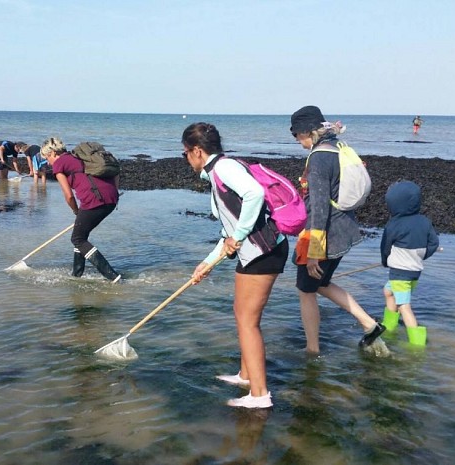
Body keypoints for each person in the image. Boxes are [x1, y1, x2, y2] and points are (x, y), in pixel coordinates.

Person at [182, 122, 289, 409]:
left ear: (198, 151)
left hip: (263, 251)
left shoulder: (224, 168)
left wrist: (239, 237)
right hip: (256, 252)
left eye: (186, 154)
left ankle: (259, 394)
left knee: (247, 320)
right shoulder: (219, 172)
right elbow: (227, 234)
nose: (186, 160)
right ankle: (246, 375)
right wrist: (206, 264)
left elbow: (255, 195)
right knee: (242, 315)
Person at [290, 105, 385, 353]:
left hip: (324, 235)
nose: (296, 139)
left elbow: (320, 206)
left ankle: (312, 349)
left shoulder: (319, 157)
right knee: (320, 283)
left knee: (305, 290)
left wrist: (313, 252)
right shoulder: (338, 148)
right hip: (344, 228)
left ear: (308, 132)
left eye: (296, 134)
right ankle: (369, 325)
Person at [42, 136, 121, 282]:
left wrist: (76, 211)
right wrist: (114, 191)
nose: (48, 162)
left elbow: (69, 196)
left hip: (94, 200)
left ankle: (113, 277)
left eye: (47, 157)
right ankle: (77, 274)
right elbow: (116, 171)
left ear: (53, 153)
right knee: (81, 236)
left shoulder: (59, 164)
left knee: (77, 239)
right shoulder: (79, 156)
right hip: (111, 199)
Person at [380, 180, 439, 346]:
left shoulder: (393, 224)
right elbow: (433, 244)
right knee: (388, 291)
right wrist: (420, 257)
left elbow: (385, 247)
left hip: (399, 272)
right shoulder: (424, 221)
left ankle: (417, 343)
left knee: (404, 306)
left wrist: (385, 261)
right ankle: (389, 326)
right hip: (414, 272)